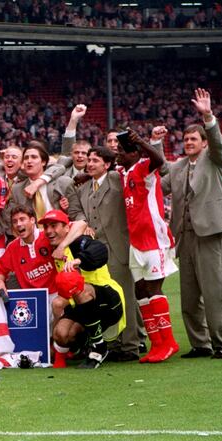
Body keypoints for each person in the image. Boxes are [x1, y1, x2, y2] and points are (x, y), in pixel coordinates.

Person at [160, 89, 222, 359]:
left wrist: (208, 117)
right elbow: (160, 184)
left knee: (214, 293)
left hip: (210, 234)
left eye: (193, 139)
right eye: (185, 139)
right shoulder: (179, 166)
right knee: (189, 297)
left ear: (203, 142)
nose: (188, 142)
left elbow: (219, 144)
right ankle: (200, 344)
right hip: (185, 236)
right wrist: (156, 144)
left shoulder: (214, 159)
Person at [67, 146, 142, 362]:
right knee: (104, 299)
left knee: (125, 297)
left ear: (107, 164)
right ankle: (111, 345)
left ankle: (130, 345)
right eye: (88, 160)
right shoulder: (82, 188)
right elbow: (75, 210)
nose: (89, 164)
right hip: (93, 255)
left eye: (95, 161)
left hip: (118, 248)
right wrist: (84, 223)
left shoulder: (117, 180)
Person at [116, 129, 179, 363]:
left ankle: (169, 342)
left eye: (122, 152)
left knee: (154, 290)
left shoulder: (144, 168)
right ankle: (156, 344)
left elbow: (159, 160)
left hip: (154, 239)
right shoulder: (124, 172)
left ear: (134, 154)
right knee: (140, 291)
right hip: (136, 242)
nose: (118, 156)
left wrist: (141, 141)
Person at [52, 269, 124, 370]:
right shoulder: (66, 277)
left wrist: (79, 259)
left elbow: (99, 255)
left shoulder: (85, 291)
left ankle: (99, 347)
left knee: (83, 295)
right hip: (75, 293)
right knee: (60, 333)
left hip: (106, 306)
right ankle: (71, 350)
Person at [0, 205, 56, 297]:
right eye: (15, 221)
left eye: (22, 219)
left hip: (57, 294)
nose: (18, 224)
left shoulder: (48, 236)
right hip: (32, 299)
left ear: (32, 220)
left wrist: (61, 246)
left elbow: (79, 224)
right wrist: (0, 283)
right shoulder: (12, 247)